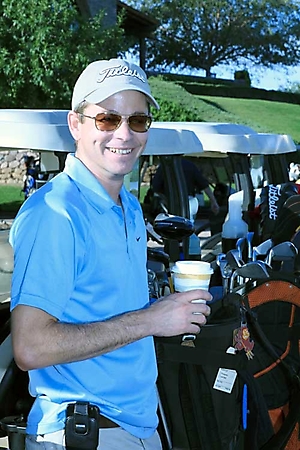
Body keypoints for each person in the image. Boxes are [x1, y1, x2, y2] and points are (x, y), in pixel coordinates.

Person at [9, 58, 211, 450]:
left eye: (137, 121)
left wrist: (162, 309)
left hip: (132, 426)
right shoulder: (55, 214)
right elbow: (30, 347)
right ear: (76, 125)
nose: (124, 133)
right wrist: (151, 319)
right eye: (107, 119)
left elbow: (107, 305)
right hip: (87, 432)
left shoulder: (130, 207)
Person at [151, 157, 220, 216]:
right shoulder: (190, 165)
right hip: (189, 201)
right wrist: (213, 201)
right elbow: (204, 185)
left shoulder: (163, 167)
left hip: (170, 201)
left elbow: (155, 187)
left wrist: (166, 200)